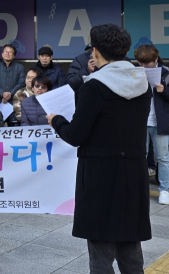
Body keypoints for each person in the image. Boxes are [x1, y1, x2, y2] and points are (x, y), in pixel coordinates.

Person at [47, 24, 152, 273]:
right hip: (133, 174)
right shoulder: (143, 83)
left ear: (95, 51)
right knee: (131, 250)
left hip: (100, 176)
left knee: (101, 255)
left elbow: (76, 135)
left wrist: (56, 120)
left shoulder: (93, 86)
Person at [134, 44, 169, 205]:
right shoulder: (136, 72)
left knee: (163, 158)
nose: (143, 66)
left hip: (160, 122)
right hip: (140, 121)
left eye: (146, 63)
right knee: (139, 156)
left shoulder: (166, 73)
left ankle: (164, 190)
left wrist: (164, 91)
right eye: (140, 62)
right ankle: (140, 189)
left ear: (155, 59)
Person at [0, 44, 26, 115]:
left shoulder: (20, 67)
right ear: (2, 54)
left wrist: (10, 94)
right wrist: (2, 93)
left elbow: (21, 83)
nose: (7, 54)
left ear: (14, 55)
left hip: (14, 100)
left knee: (14, 123)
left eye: (10, 52)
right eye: (6, 51)